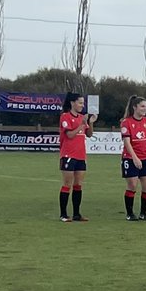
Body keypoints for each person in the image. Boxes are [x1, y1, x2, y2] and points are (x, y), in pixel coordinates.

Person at [58, 93, 96, 222]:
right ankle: (63, 214)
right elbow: (69, 135)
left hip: (80, 155)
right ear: (72, 103)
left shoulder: (82, 117)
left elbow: (89, 134)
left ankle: (76, 214)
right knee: (67, 184)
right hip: (68, 155)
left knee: (78, 184)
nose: (82, 105)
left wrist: (90, 123)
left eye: (82, 103)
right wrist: (81, 124)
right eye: (80, 103)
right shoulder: (65, 117)